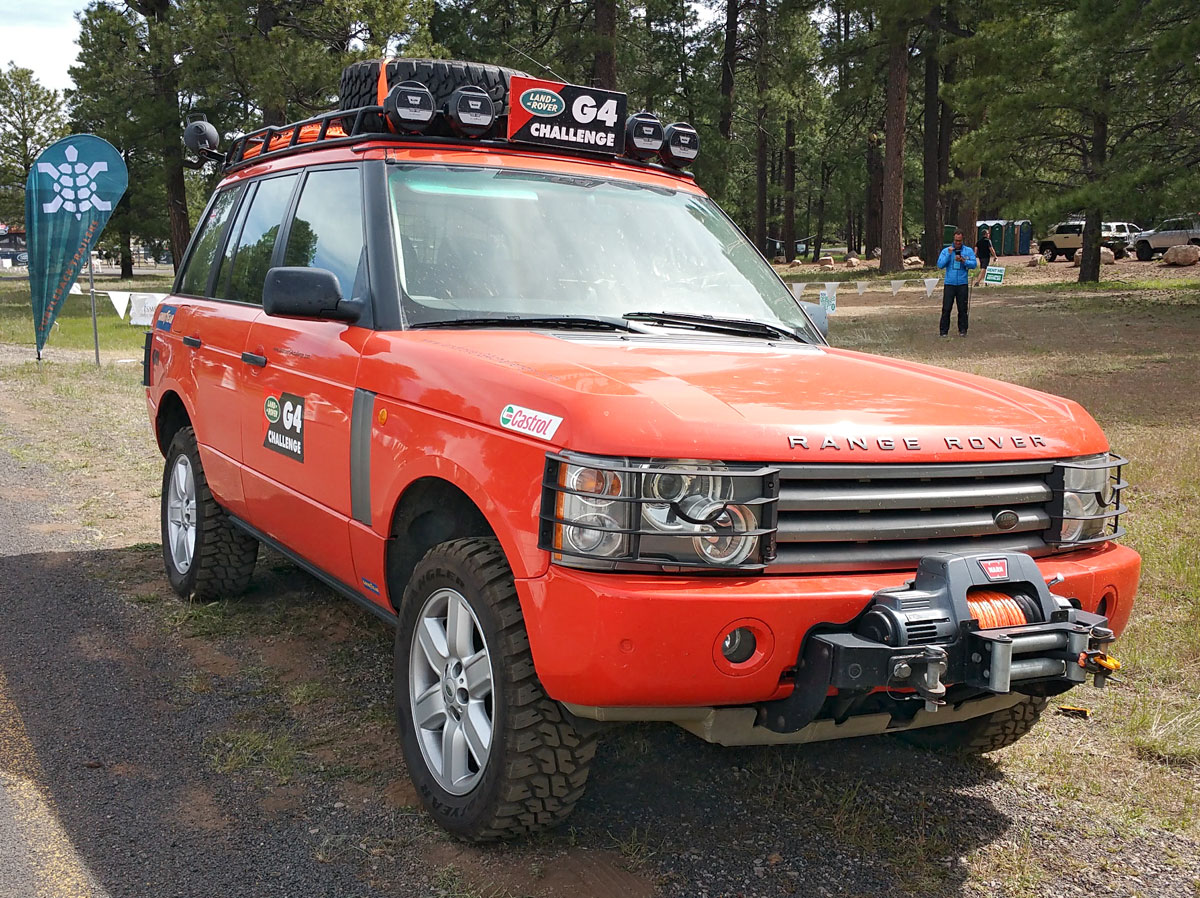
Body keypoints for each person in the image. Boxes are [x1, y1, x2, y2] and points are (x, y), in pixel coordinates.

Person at [937, 228, 977, 337]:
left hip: (962, 284)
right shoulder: (946, 251)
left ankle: (963, 330)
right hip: (950, 283)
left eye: (959, 241)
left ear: (962, 240)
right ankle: (943, 331)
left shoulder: (968, 251)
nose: (957, 243)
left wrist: (964, 261)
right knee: (946, 308)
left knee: (962, 308)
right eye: (956, 240)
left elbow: (974, 264)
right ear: (953, 240)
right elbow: (940, 265)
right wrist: (949, 255)